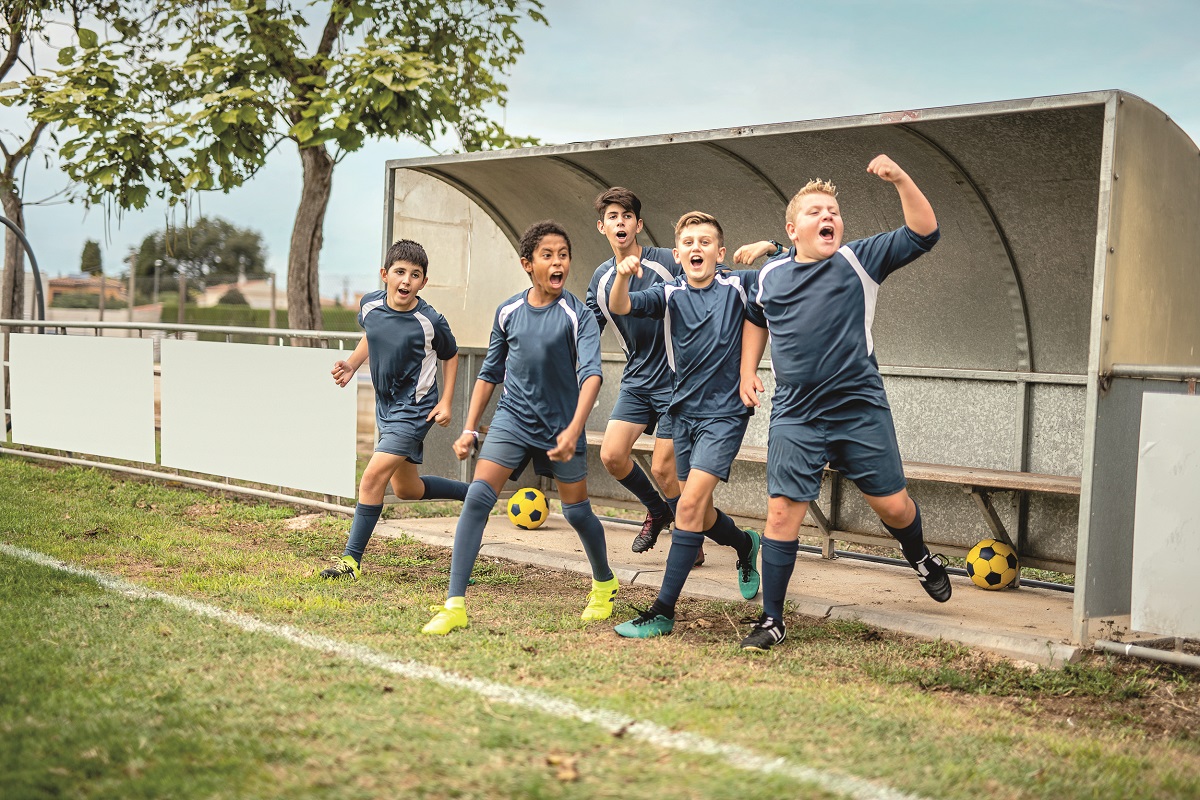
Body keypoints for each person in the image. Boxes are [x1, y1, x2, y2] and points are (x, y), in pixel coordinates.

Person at [737, 154, 950, 653]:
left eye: (833, 210)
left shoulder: (860, 260)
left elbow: (925, 232)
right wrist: (749, 370)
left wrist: (900, 177)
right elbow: (755, 316)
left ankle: (919, 557)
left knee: (894, 507)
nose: (827, 216)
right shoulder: (769, 277)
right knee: (781, 514)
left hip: (858, 408)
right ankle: (772, 619)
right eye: (815, 211)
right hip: (796, 411)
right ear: (793, 229)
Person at [421, 220, 618, 635]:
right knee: (477, 498)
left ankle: (604, 583)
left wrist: (574, 429)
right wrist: (470, 428)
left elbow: (592, 375)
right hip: (513, 418)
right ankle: (454, 603)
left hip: (563, 425)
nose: (558, 261)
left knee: (578, 512)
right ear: (528, 264)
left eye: (563, 254)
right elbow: (490, 373)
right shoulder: (508, 310)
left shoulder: (577, 314)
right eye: (547, 255)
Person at [607, 211, 762, 639]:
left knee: (690, 508)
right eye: (689, 242)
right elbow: (620, 305)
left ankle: (662, 611)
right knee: (698, 508)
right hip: (680, 412)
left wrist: (770, 248)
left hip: (724, 414)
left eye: (705, 241)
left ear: (720, 252)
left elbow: (798, 268)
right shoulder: (668, 292)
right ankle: (745, 544)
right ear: (678, 255)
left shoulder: (738, 285)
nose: (697, 248)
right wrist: (622, 276)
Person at [320, 239, 468, 581]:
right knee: (407, 489)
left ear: (423, 282)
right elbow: (372, 335)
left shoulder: (430, 320)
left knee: (372, 478)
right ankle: (475, 493)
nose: (406, 281)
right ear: (385, 274)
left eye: (415, 275)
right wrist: (353, 364)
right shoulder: (370, 305)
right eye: (400, 272)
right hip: (386, 406)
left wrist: (445, 401)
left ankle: (351, 562)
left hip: (415, 410)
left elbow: (451, 354)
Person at [585, 187, 696, 562]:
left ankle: (688, 537)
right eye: (613, 217)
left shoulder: (667, 260)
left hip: (675, 379)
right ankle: (658, 510)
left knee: (666, 468)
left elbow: (709, 278)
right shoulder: (600, 278)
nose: (621, 222)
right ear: (603, 227)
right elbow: (586, 331)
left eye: (627, 216)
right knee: (613, 455)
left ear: (638, 224)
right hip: (637, 379)